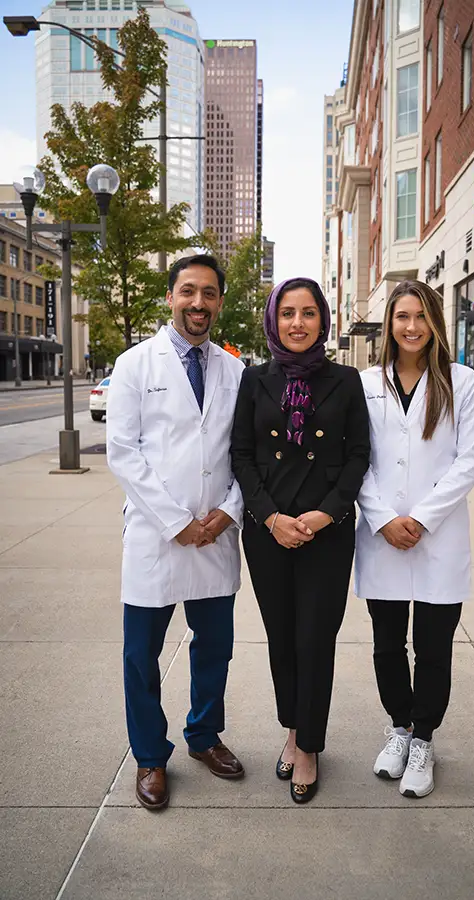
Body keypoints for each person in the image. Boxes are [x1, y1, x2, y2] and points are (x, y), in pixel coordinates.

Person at [107, 254, 246, 811]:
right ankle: (149, 755)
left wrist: (229, 511)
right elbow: (123, 453)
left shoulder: (235, 371)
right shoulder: (136, 364)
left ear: (218, 301)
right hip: (155, 537)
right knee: (141, 655)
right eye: (188, 291)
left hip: (216, 535)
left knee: (215, 649)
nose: (198, 303)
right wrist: (177, 522)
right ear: (171, 297)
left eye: (209, 293)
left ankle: (204, 737)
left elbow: (247, 454)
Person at [231, 278, 370, 804]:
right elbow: (241, 456)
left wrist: (323, 513)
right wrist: (270, 518)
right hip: (269, 534)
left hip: (327, 532)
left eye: (308, 313)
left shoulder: (346, 380)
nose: (297, 323)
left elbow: (359, 455)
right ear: (273, 319)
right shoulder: (253, 380)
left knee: (315, 639)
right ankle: (291, 728)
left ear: (323, 321)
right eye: (287, 312)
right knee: (283, 638)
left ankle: (308, 746)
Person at [356, 279, 474, 799]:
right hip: (381, 535)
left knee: (433, 647)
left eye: (421, 317)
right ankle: (399, 727)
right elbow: (355, 460)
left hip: (440, 538)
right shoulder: (366, 383)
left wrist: (424, 518)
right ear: (389, 324)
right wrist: (384, 518)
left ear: (435, 322)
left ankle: (424, 739)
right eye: (401, 317)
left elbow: (469, 461)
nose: (411, 327)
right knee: (387, 645)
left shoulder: (462, 382)